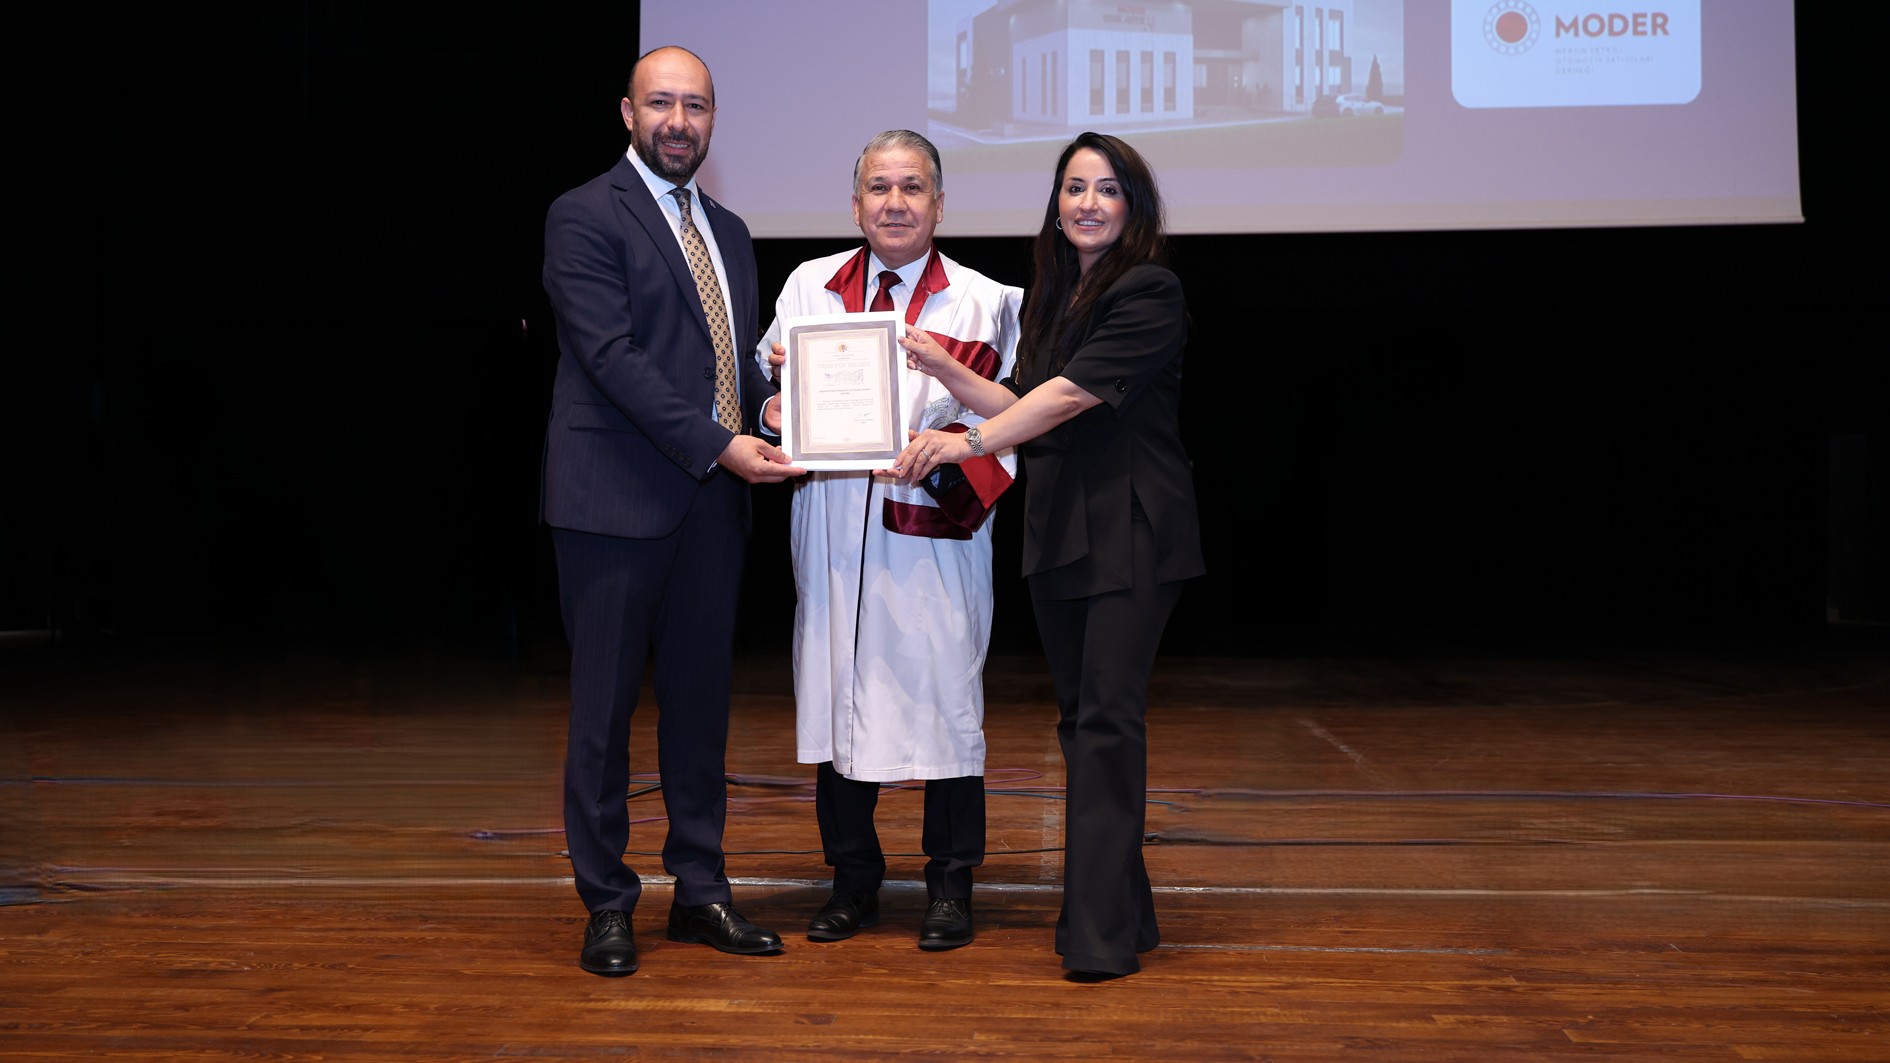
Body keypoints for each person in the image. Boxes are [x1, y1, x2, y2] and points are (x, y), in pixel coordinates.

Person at [892, 132, 1204, 980]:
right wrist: (945, 368)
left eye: (1107, 189)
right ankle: (1128, 913)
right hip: (1062, 530)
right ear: (1056, 203)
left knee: (1105, 722)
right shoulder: (1054, 296)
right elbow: (1021, 400)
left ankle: (1097, 937)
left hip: (1131, 528)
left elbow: (1066, 400)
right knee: (1081, 722)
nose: (1088, 203)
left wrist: (967, 443)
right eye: (1074, 187)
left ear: (1133, 206)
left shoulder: (1150, 290)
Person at [539, 44, 805, 977]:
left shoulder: (728, 228)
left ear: (713, 118)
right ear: (628, 113)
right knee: (603, 713)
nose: (678, 122)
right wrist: (722, 441)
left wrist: (769, 412)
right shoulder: (582, 214)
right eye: (661, 104)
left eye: (695, 106)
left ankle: (700, 890)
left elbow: (728, 360)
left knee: (700, 710)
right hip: (612, 500)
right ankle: (609, 902)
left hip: (711, 506)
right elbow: (613, 358)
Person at [757, 130, 1022, 951]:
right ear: (855, 204)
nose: (895, 202)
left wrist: (945, 449)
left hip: (935, 542)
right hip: (834, 531)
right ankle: (852, 881)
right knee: (839, 702)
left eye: (912, 187)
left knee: (947, 705)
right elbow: (769, 393)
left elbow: (1014, 422)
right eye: (879, 187)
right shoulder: (809, 287)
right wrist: (772, 409)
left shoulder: (986, 300)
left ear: (940, 204)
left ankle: (950, 884)